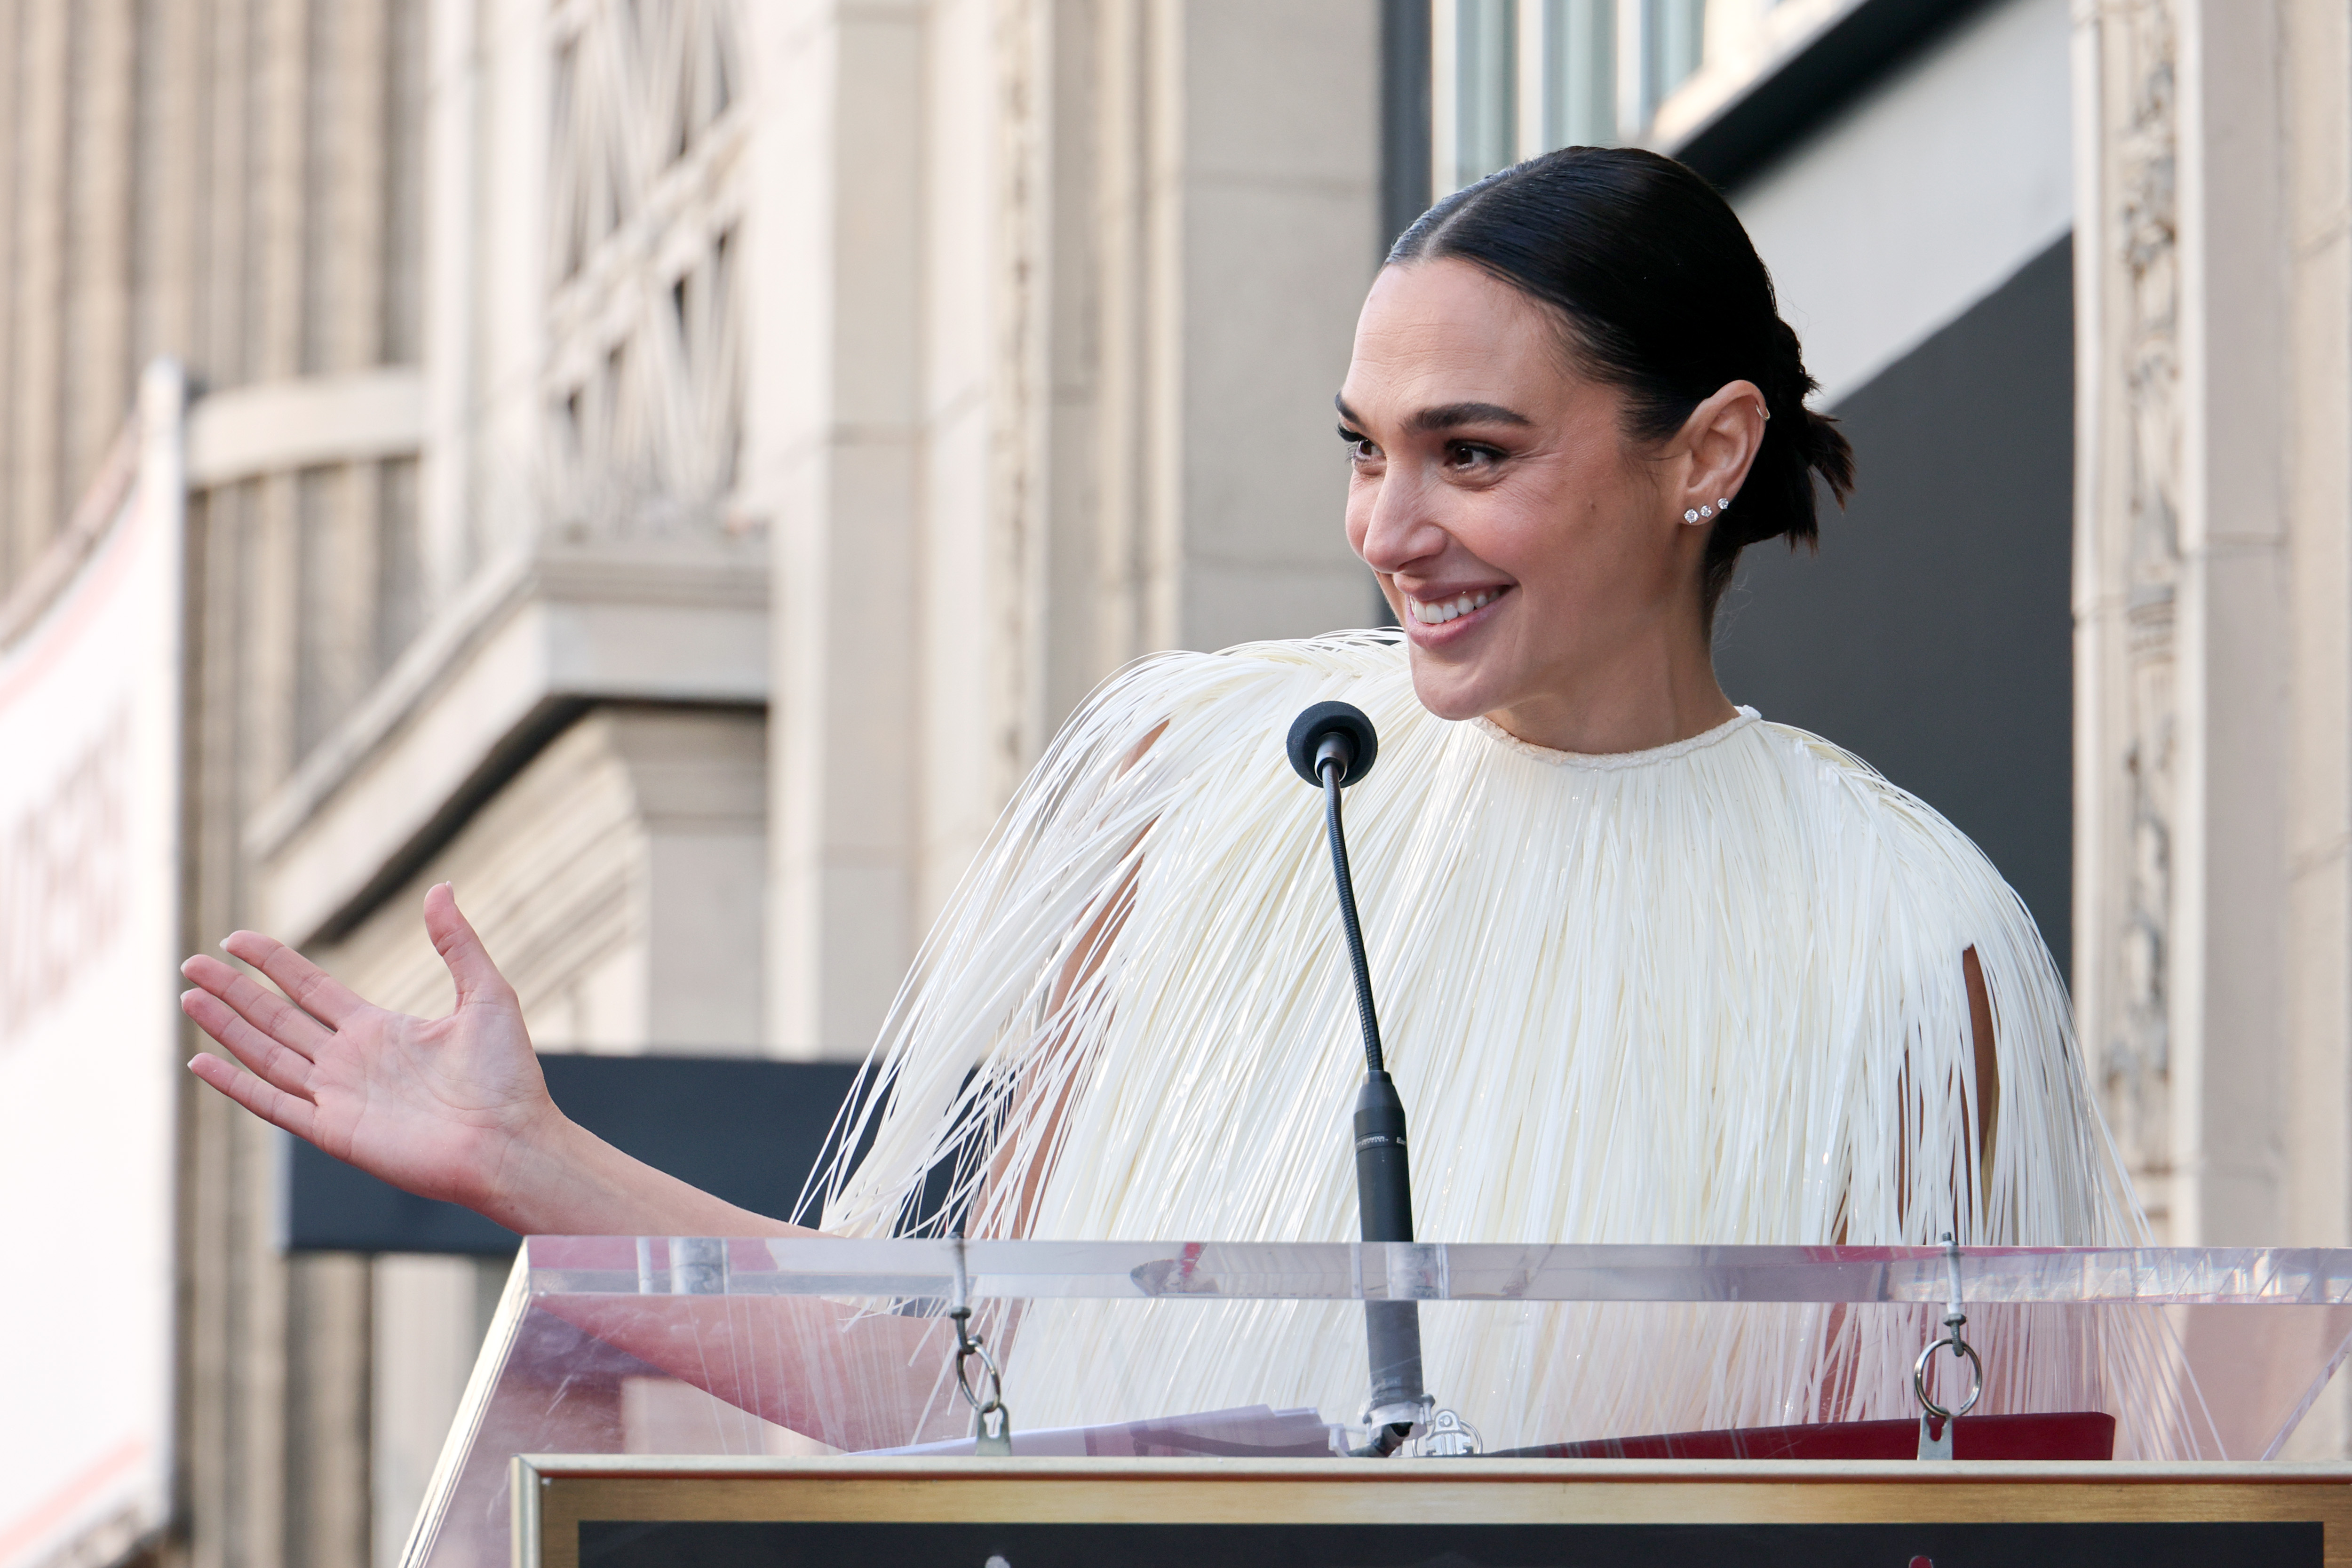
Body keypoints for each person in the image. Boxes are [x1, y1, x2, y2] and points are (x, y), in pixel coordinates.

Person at [181, 148, 2153, 1451]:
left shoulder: (1907, 935)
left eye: (1471, 453)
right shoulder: (1197, 777)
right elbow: (943, 1379)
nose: (1390, 528)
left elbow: (1978, 1498)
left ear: (1704, 449)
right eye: (1361, 450)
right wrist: (532, 1157)